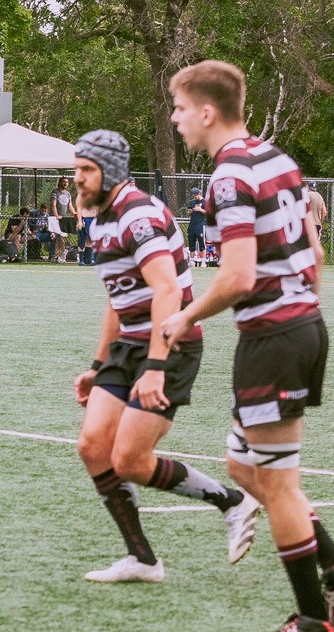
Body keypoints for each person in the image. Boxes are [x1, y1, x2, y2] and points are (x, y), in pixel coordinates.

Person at [160, 59, 334, 632]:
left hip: (274, 339)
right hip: (299, 329)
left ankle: (313, 625)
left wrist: (184, 317)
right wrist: (302, 310)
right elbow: (314, 251)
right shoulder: (278, 159)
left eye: (180, 108)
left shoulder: (228, 176)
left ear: (207, 112)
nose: (175, 119)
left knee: (277, 485)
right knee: (243, 467)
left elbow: (237, 276)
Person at [68, 130, 260, 584]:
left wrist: (154, 366)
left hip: (171, 345)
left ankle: (232, 502)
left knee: (130, 460)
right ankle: (142, 560)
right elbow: (117, 300)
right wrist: (97, 366)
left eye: (86, 170)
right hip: (129, 344)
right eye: (77, 169)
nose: (78, 179)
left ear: (111, 171)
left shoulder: (138, 216)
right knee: (93, 447)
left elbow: (168, 292)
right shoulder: (102, 219)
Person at [51, 177, 76, 262]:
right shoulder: (55, 192)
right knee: (58, 236)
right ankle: (63, 252)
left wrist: (75, 214)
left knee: (60, 236)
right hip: (55, 218)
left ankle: (57, 255)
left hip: (64, 218)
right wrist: (56, 215)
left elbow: (70, 206)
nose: (65, 183)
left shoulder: (68, 194)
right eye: (64, 182)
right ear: (59, 182)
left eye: (67, 182)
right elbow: (53, 205)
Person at [186, 188, 208, 256]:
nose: (194, 198)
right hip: (192, 223)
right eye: (193, 197)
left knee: (202, 243)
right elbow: (188, 212)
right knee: (191, 243)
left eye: (195, 196)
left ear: (199, 194)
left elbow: (209, 213)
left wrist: (200, 210)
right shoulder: (192, 202)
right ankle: (192, 259)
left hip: (200, 223)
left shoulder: (205, 202)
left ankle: (203, 259)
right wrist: (189, 212)